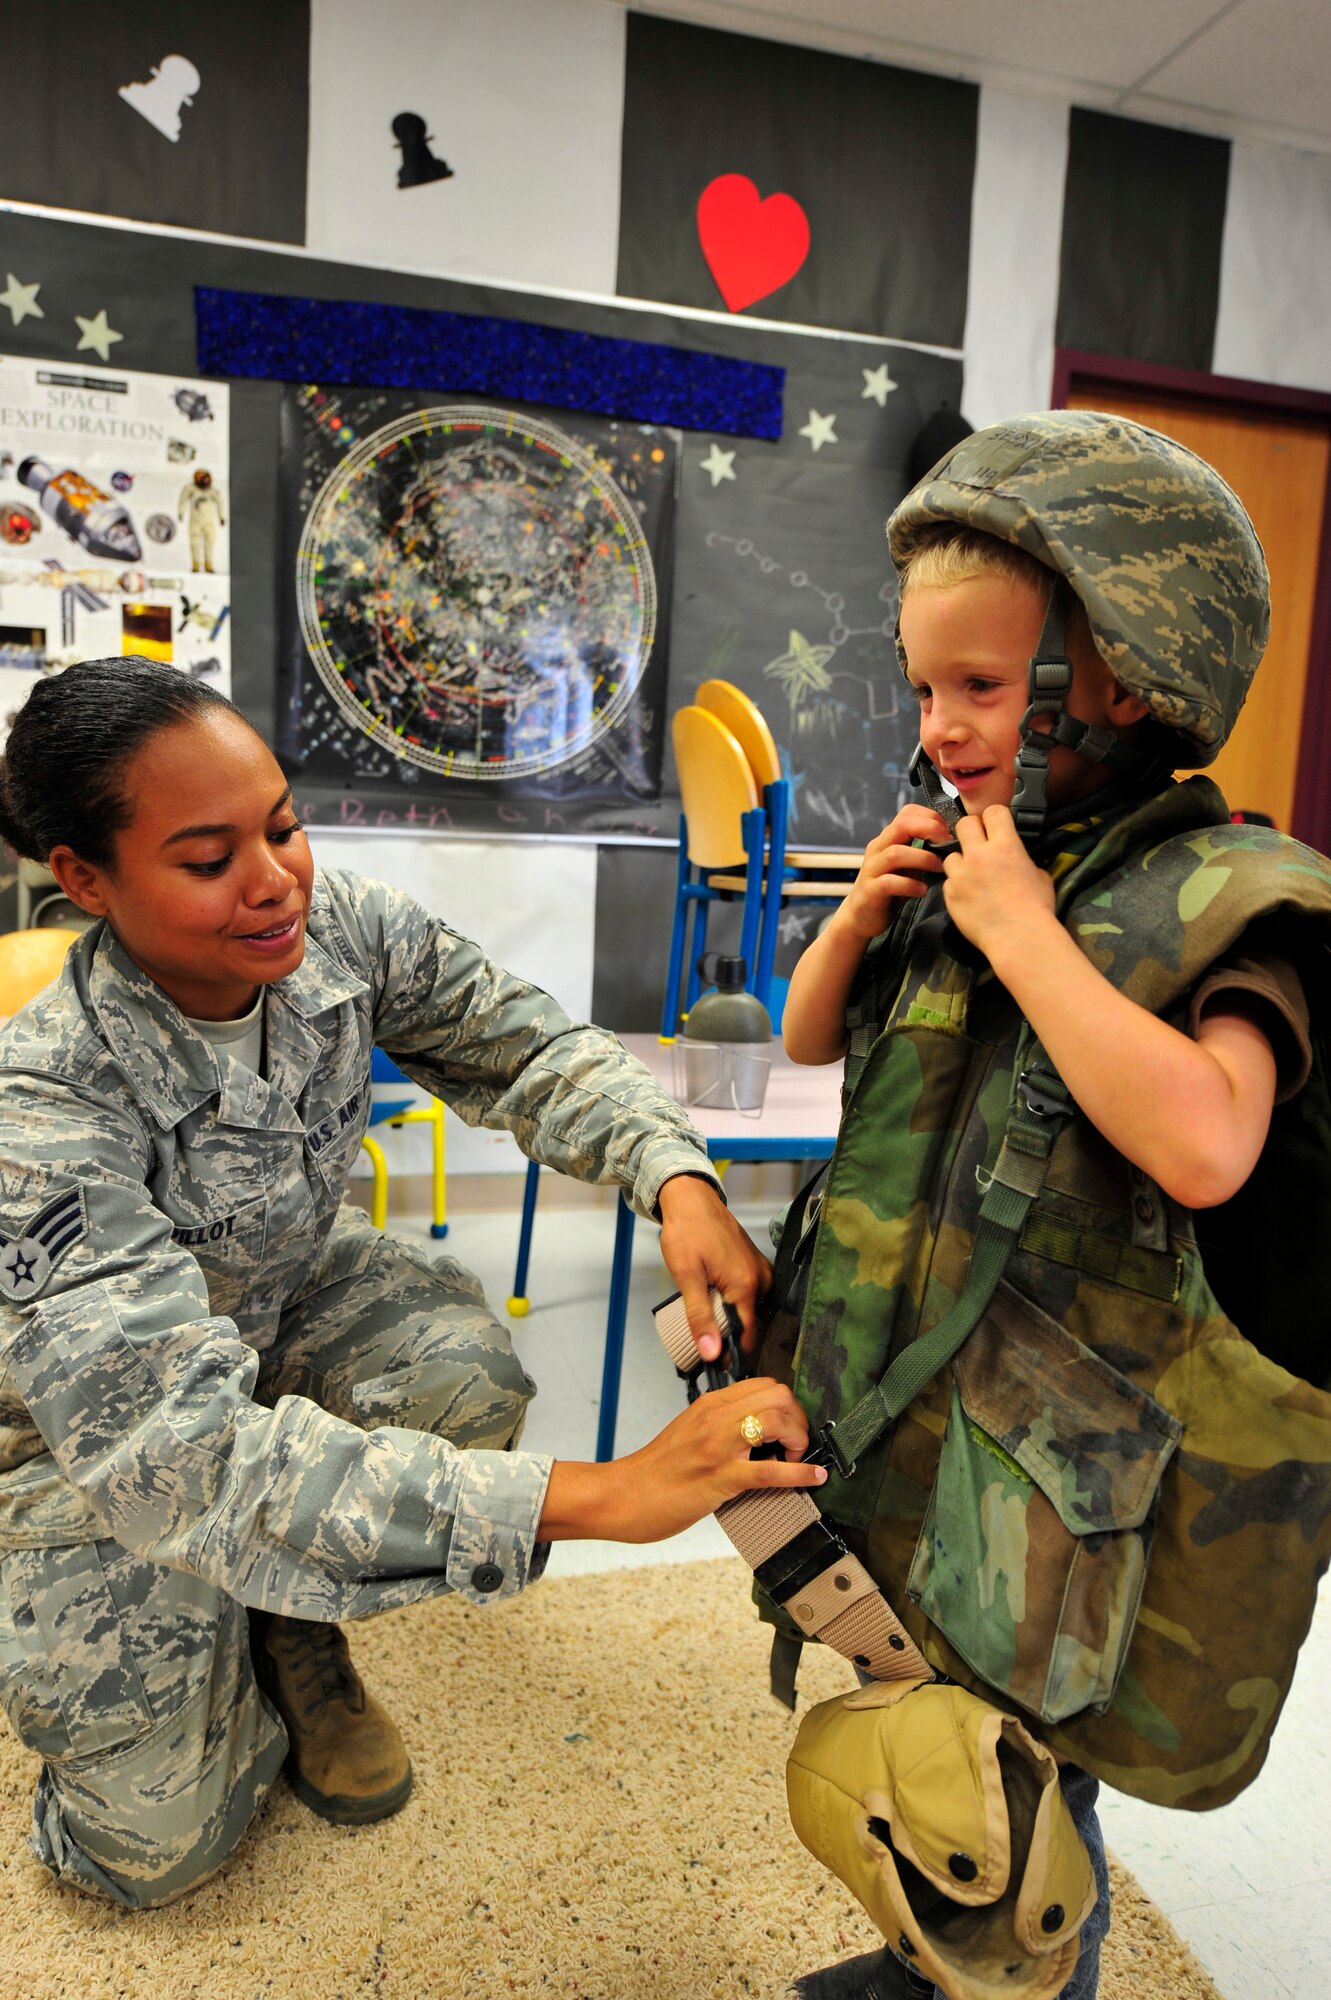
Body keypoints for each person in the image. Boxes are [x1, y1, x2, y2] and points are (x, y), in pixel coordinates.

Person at [0, 656, 827, 1911]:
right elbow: (178, 1455)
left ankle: (285, 1620)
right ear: (86, 879)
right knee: (154, 1849)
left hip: (270, 1310)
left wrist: (678, 1179)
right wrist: (601, 1494)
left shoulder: (342, 931)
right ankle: (137, 1625)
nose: (275, 878)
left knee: (454, 1376)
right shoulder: (42, 1103)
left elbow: (532, 1043)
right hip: (87, 1438)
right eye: (210, 857)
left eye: (283, 824)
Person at [769, 410, 1328, 2000]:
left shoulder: (1236, 896)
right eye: (923, 685)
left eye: (984, 690)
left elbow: (1208, 1143)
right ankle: (916, 1961)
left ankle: (1026, 1979)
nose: (939, 727)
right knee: (929, 1746)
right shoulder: (983, 853)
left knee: (1028, 1797)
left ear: (1128, 682)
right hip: (924, 1408)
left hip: (1065, 1474)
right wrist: (859, 918)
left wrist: (1020, 934)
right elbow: (815, 1041)